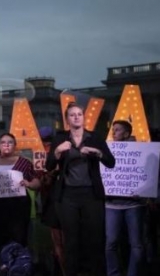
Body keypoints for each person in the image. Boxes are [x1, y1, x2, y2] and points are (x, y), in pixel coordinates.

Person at [46, 102, 115, 276]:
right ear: (67, 119)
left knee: (94, 238)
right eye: (72, 115)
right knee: (71, 240)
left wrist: (98, 153)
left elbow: (111, 162)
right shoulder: (60, 138)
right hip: (68, 196)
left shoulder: (95, 137)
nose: (76, 117)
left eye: (79, 114)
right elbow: (49, 166)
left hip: (91, 195)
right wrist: (57, 153)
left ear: (84, 117)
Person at [0, 132, 40, 275]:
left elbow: (37, 182)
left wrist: (28, 183)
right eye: (3, 142)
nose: (6, 145)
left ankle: (19, 269)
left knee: (18, 240)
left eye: (10, 142)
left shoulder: (24, 163)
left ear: (15, 146)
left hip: (18, 208)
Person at [105, 120, 145, 276]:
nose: (114, 133)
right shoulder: (107, 150)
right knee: (110, 244)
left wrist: (143, 189)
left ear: (127, 133)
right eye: (113, 130)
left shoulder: (141, 151)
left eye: (118, 130)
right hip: (112, 205)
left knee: (136, 244)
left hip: (134, 205)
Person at [37, 126, 65, 276]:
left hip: (64, 201)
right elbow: (43, 181)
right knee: (58, 242)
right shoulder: (41, 155)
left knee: (62, 242)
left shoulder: (64, 155)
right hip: (51, 201)